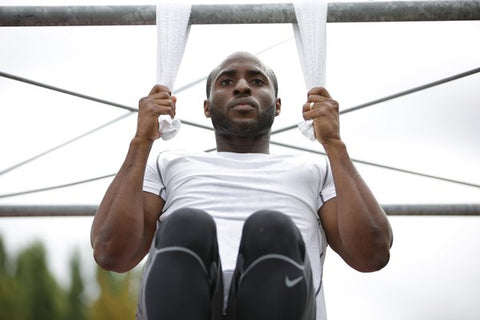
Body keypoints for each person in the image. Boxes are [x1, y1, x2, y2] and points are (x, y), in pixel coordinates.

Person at [90, 51, 393, 320]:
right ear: (207, 108)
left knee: (272, 228)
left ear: (277, 106)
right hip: (185, 302)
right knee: (188, 224)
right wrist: (141, 141)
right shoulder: (168, 164)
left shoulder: (315, 169)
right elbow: (111, 252)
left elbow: (372, 254)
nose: (243, 87)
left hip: (279, 302)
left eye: (257, 81)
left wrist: (334, 144)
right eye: (226, 82)